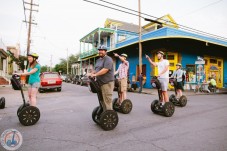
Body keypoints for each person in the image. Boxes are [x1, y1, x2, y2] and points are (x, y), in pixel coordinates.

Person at [91, 45, 114, 111]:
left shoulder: (108, 59)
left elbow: (105, 69)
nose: (100, 51)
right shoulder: (98, 60)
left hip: (107, 83)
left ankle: (109, 115)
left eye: (102, 50)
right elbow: (96, 69)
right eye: (99, 50)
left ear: (105, 51)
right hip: (100, 83)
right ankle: (104, 112)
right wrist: (92, 73)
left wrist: (95, 75)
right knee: (101, 99)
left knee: (107, 100)